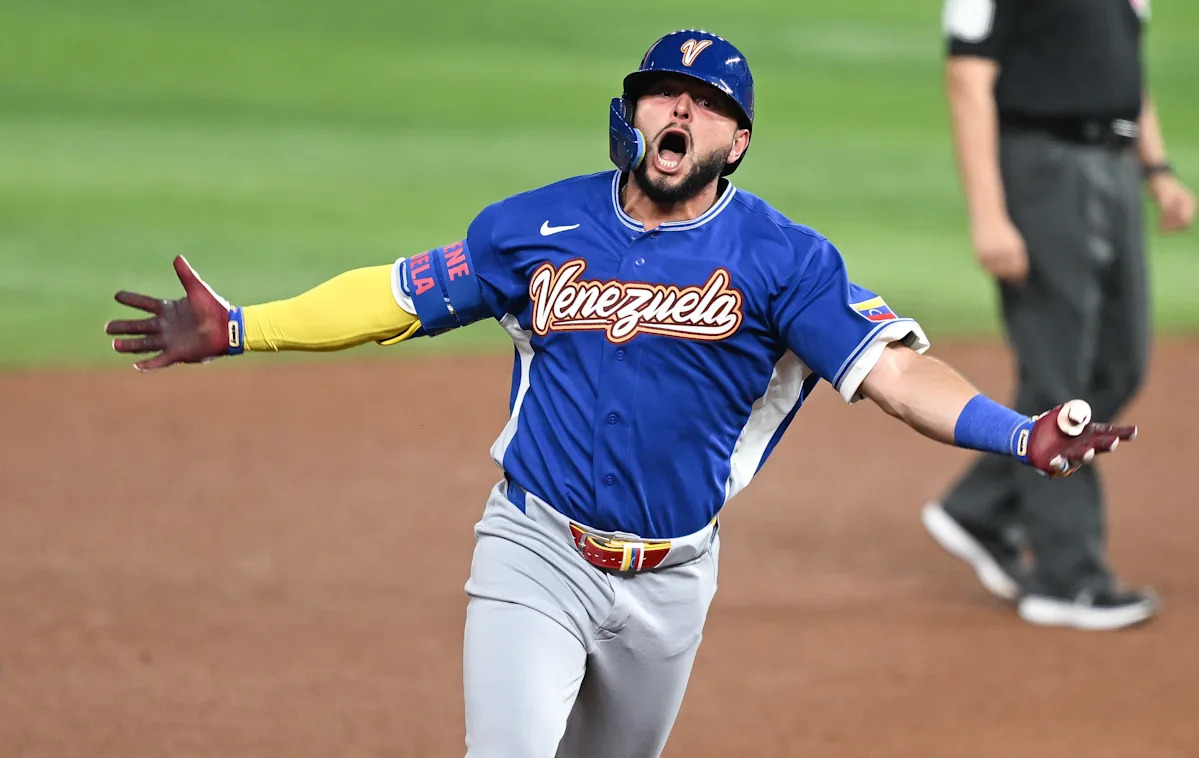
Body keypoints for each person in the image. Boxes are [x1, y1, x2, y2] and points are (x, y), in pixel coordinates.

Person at [105, 29, 1137, 758]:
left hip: (673, 582)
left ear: (736, 143)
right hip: (534, 549)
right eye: (663, 92)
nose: (681, 107)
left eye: (711, 104)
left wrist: (1017, 433)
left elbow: (896, 372)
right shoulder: (533, 229)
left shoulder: (782, 260)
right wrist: (243, 325)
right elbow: (391, 296)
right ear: (630, 114)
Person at [925, 0, 1195, 631]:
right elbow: (967, 80)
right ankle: (1066, 576)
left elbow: (1124, 68)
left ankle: (982, 506)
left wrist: (1156, 169)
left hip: (1115, 166)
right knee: (1059, 373)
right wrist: (989, 213)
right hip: (1041, 170)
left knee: (1120, 365)